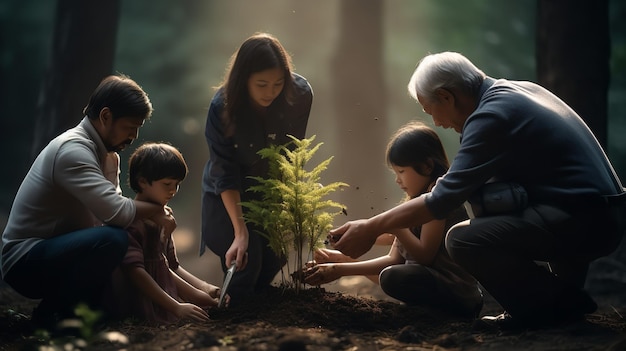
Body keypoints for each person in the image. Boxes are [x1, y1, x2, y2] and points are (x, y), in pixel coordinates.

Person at [329, 52, 625, 330]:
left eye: (432, 111)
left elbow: (442, 199)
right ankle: (557, 302)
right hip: (598, 212)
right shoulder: (519, 91)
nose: (437, 123)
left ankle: (560, 303)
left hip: (586, 220)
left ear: (447, 96)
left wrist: (370, 226)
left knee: (463, 239)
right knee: (497, 201)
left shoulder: (491, 116)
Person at [0, 75, 173, 328]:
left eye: (138, 128)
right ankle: (53, 315)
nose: (134, 136)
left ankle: (79, 312)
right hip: (26, 260)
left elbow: (110, 213)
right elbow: (116, 213)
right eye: (129, 127)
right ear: (105, 116)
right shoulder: (73, 150)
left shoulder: (107, 155)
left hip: (61, 250)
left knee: (117, 240)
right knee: (113, 240)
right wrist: (157, 209)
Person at [304, 121, 482, 318]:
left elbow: (424, 255)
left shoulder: (437, 198)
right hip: (434, 285)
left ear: (427, 165)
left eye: (402, 172)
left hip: (458, 294)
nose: (398, 180)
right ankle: (428, 312)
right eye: (395, 173)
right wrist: (342, 261)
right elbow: (393, 259)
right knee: (391, 274)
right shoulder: (413, 202)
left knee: (394, 275)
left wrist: (394, 227)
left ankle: (439, 314)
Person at [200, 32, 313, 303]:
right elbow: (225, 172)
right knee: (246, 261)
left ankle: (260, 324)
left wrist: (289, 206)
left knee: (274, 259)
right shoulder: (223, 107)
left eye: (277, 83)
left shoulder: (299, 94)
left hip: (269, 191)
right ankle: (230, 326)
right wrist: (240, 232)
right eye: (261, 84)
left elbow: (292, 153)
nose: (270, 92)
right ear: (244, 80)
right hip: (228, 195)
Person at [108, 142, 225, 324]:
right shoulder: (132, 223)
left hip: (165, 302)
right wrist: (177, 306)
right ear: (142, 182)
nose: (173, 191)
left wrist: (204, 288)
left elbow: (169, 265)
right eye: (167, 184)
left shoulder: (165, 218)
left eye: (177, 185)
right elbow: (136, 272)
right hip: (140, 305)